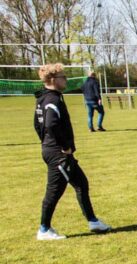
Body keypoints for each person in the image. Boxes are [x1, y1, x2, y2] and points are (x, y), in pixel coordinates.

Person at [33, 63, 110, 240]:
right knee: (54, 191)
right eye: (63, 77)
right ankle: (44, 229)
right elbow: (50, 124)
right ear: (53, 80)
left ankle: (93, 221)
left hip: (54, 151)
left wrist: (46, 142)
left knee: (81, 184)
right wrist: (62, 146)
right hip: (59, 154)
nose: (66, 80)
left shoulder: (45, 98)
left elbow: (37, 125)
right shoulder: (52, 100)